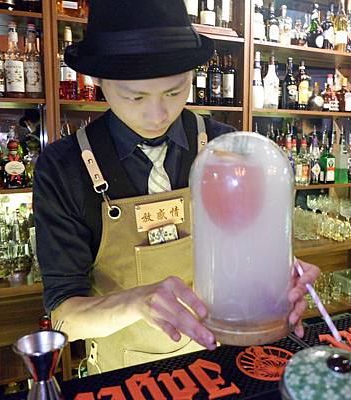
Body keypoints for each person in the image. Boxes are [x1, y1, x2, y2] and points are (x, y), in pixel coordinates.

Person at [34, 0, 319, 373]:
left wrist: (274, 276)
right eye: (135, 96)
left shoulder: (225, 151)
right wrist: (137, 302)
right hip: (127, 378)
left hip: (221, 363)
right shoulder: (64, 167)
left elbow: (246, 249)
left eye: (174, 91)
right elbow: (64, 318)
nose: (157, 115)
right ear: (99, 80)